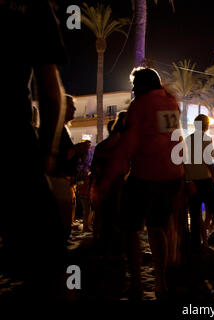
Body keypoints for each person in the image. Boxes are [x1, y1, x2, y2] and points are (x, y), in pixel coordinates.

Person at [0, 0, 68, 298]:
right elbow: (52, 95)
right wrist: (46, 156)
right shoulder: (35, 7)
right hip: (11, 142)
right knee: (45, 271)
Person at [99, 67, 184, 299]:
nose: (133, 89)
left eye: (135, 84)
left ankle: (136, 281)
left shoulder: (140, 104)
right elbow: (175, 138)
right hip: (171, 175)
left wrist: (107, 180)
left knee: (129, 228)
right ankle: (161, 282)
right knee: (158, 227)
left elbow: (127, 145)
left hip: (146, 174)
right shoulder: (171, 103)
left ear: (143, 85)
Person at [48, 95, 91, 244]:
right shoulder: (55, 128)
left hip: (64, 181)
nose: (74, 110)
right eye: (71, 106)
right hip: (57, 181)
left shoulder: (62, 129)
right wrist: (77, 149)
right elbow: (56, 155)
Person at [185, 114, 214, 253]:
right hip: (205, 180)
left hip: (192, 181)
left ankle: (195, 245)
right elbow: (209, 162)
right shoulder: (205, 139)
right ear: (205, 125)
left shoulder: (187, 139)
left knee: (194, 215)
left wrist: (187, 180)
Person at [90, 112, 127, 256]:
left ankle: (106, 246)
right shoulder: (117, 139)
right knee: (111, 216)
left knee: (109, 217)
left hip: (113, 183)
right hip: (112, 184)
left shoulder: (119, 140)